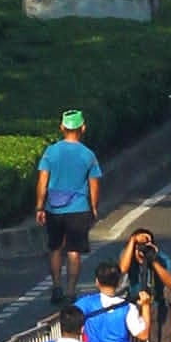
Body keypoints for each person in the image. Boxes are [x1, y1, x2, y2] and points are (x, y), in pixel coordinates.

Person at [35, 107, 103, 298]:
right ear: (83, 128)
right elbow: (94, 185)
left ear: (61, 127)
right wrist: (94, 208)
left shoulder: (51, 152)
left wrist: (40, 205)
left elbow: (42, 180)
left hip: (53, 208)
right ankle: (71, 289)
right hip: (79, 207)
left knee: (55, 248)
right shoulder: (88, 155)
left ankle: (56, 285)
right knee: (74, 250)